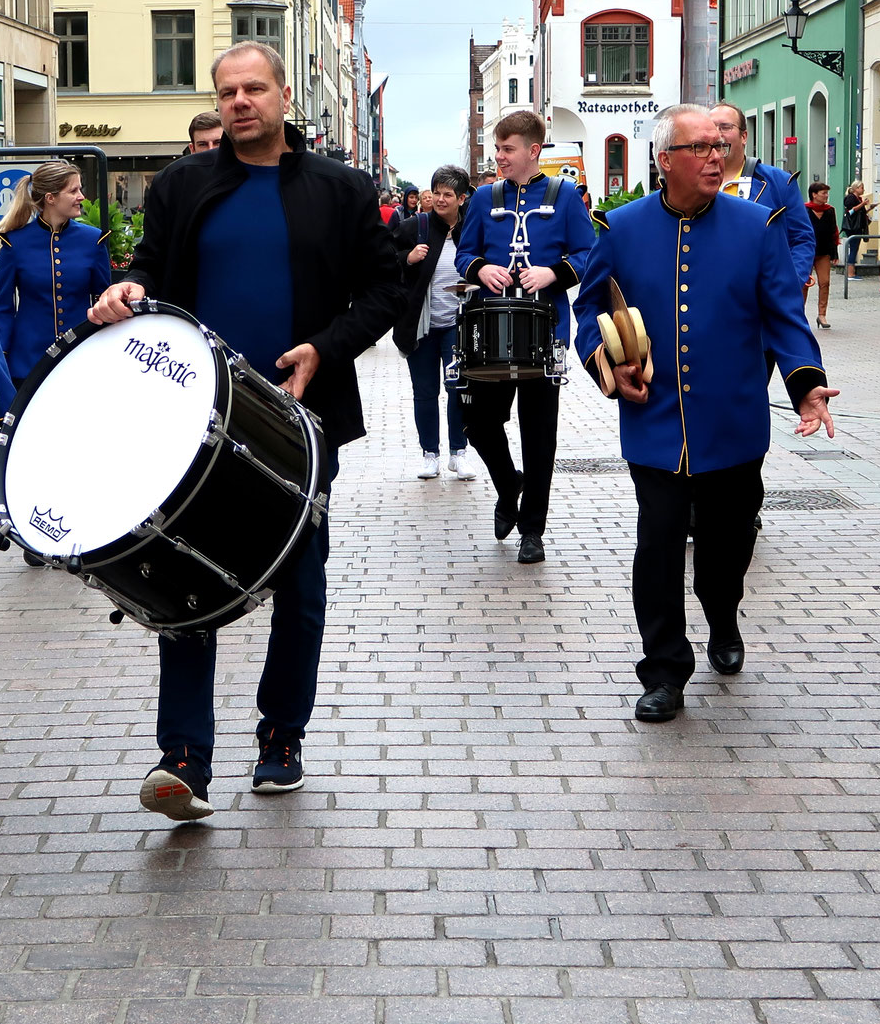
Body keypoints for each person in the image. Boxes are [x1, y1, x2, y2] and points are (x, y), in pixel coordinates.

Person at [86, 42, 401, 821]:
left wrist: (324, 350)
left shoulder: (343, 188)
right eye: (227, 91)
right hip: (188, 415)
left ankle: (281, 738)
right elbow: (152, 269)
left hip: (300, 417)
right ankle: (184, 758)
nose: (239, 102)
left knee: (299, 585)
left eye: (254, 88)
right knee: (179, 571)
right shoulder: (184, 184)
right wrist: (128, 288)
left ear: (284, 95)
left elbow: (387, 287)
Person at [576, 105, 837, 720]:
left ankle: (722, 614)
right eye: (701, 147)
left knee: (725, 549)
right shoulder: (621, 227)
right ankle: (664, 669)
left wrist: (806, 385)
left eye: (722, 146)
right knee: (659, 545)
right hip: (654, 422)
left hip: (733, 423)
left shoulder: (758, 226)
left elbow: (783, 318)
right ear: (666, 160)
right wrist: (606, 367)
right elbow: (587, 313)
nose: (717, 156)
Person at [455, 110, 596, 565]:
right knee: (476, 423)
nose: (499, 157)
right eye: (497, 149)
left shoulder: (567, 196)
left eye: (507, 149)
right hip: (490, 328)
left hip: (544, 331)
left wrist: (552, 272)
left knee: (540, 437)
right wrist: (481, 268)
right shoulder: (482, 198)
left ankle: (532, 529)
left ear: (533, 151)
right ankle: (506, 485)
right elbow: (464, 254)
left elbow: (588, 254)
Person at [0, 160, 114, 560]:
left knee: (77, 446)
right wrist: (0, 362)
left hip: (80, 360)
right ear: (49, 198)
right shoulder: (14, 242)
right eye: (74, 191)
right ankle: (33, 529)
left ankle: (78, 524)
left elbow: (106, 300)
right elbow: (2, 308)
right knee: (34, 450)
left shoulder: (93, 240)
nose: (82, 197)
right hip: (29, 363)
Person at [391, 165, 477, 481]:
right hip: (422, 324)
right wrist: (407, 258)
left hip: (459, 324)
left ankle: (459, 453)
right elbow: (384, 252)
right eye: (436, 193)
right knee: (424, 391)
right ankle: (430, 454)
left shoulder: (472, 229)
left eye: (448, 194)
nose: (440, 199)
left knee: (458, 387)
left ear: (462, 198)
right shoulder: (419, 226)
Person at [710, 103, 815, 288]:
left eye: (725, 127)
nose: (718, 134)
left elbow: (802, 239)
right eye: (712, 128)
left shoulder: (780, 183)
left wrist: (791, 283)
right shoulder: (694, 182)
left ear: (744, 136)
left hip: (762, 299)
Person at [805, 181, 838, 328]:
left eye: (826, 193)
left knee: (824, 282)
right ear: (814, 194)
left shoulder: (830, 210)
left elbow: (833, 232)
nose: (826, 196)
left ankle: (822, 315)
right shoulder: (804, 210)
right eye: (823, 193)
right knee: (804, 284)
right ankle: (799, 314)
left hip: (824, 252)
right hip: (806, 252)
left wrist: (834, 253)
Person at [841, 181, 871, 275]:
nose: (863, 189)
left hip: (858, 226)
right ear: (856, 188)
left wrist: (869, 208)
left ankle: (851, 271)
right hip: (853, 226)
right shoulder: (851, 198)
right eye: (861, 187)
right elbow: (851, 211)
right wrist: (863, 204)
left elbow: (861, 212)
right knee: (854, 247)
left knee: (855, 247)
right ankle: (850, 273)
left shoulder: (859, 199)